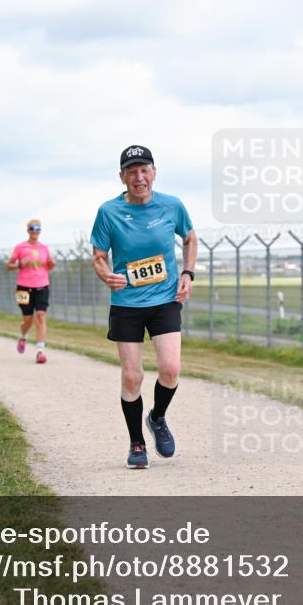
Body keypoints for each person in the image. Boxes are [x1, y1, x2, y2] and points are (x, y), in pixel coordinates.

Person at [91, 145, 197, 469]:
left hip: (165, 299)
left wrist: (188, 274)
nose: (139, 177)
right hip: (126, 304)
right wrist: (106, 274)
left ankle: (158, 417)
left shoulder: (172, 206)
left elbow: (190, 238)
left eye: (144, 170)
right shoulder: (108, 212)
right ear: (122, 177)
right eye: (132, 172)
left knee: (170, 370)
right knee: (132, 377)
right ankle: (137, 443)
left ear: (154, 172)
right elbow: (98, 255)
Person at [6, 219, 56, 364]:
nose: (35, 231)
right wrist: (19, 264)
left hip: (42, 286)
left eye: (38, 228)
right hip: (23, 287)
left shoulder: (44, 248)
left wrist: (51, 264)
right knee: (27, 319)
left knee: (40, 315)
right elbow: (9, 265)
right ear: (28, 230)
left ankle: (40, 351)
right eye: (32, 228)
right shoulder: (20, 247)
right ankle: (22, 336)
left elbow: (48, 266)